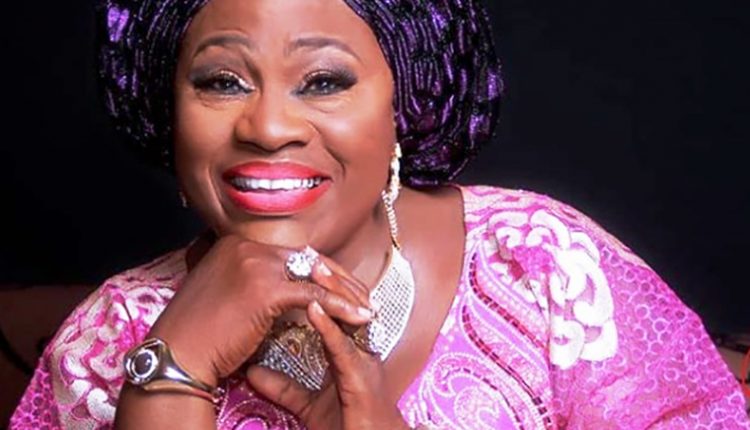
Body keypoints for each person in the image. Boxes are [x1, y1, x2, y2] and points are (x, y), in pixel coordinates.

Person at [10, 0, 749, 428]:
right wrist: (171, 373)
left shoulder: (541, 267)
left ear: (405, 104)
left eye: (323, 80)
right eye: (223, 81)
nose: (267, 127)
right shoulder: (107, 343)